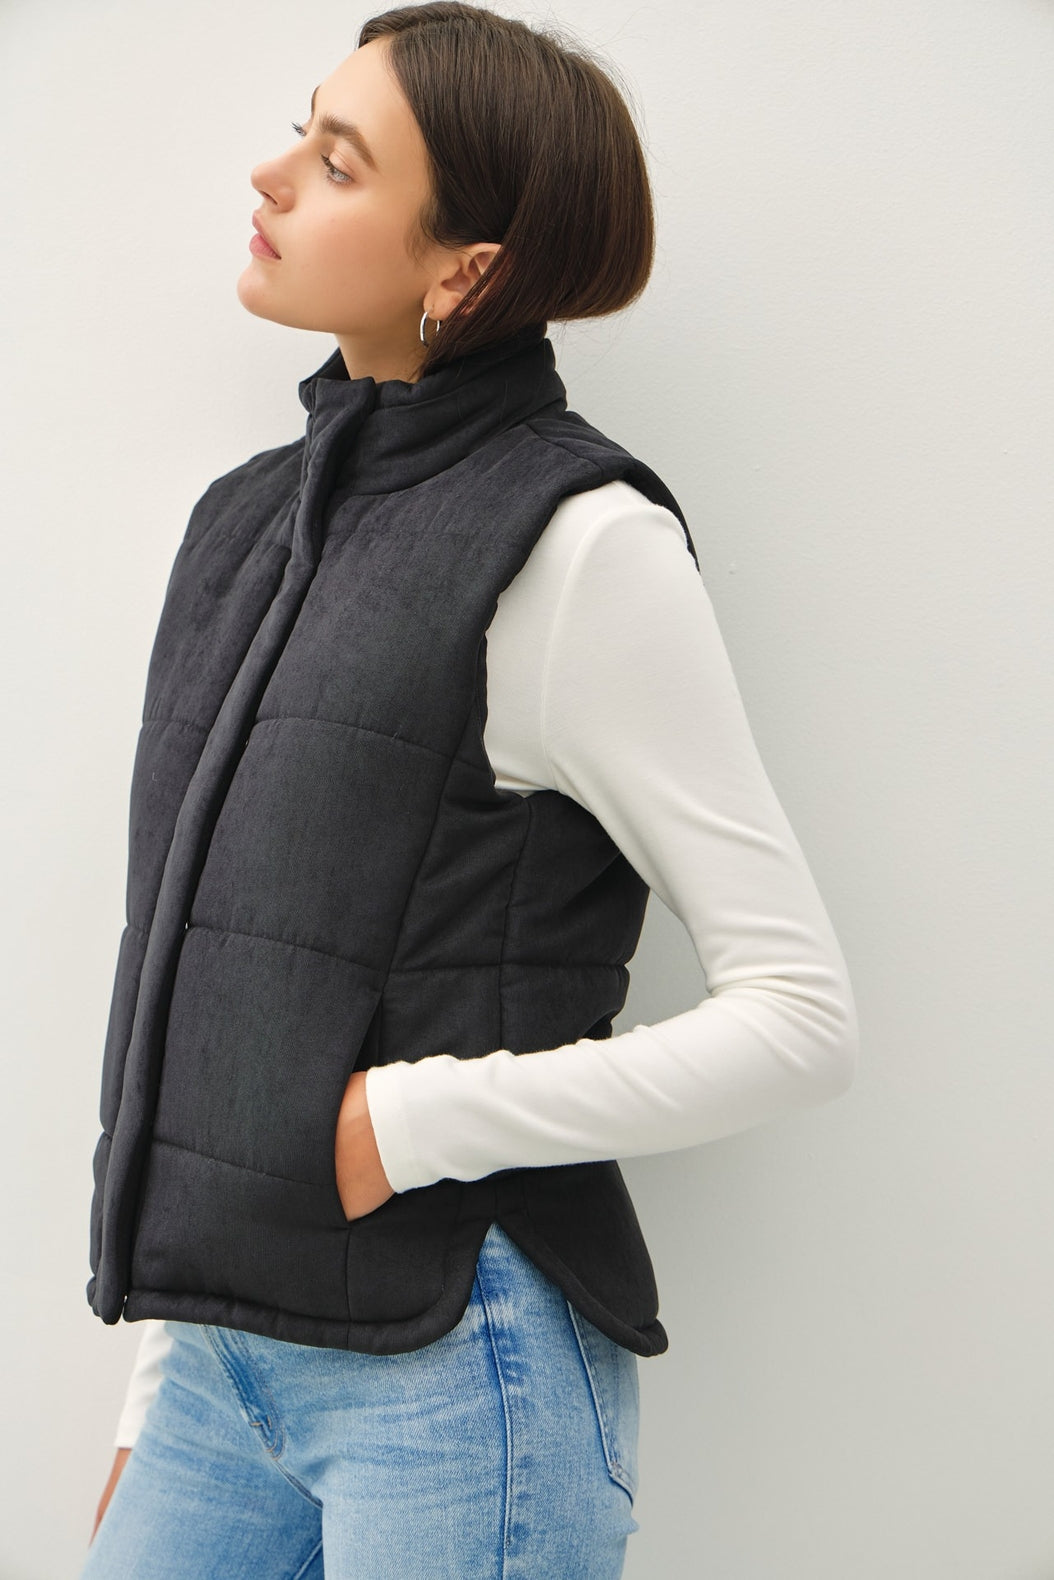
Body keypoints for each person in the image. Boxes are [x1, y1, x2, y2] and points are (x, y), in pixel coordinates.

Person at [80, 5, 859, 1577]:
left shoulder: (577, 546)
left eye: (339, 162)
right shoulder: (243, 527)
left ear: (465, 270)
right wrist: (152, 1395)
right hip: (224, 1364)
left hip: (456, 1376)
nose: (272, 176)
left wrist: (408, 1119)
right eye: (302, 130)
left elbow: (801, 1018)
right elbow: (202, 988)